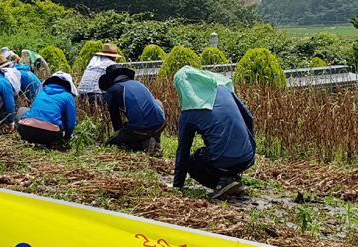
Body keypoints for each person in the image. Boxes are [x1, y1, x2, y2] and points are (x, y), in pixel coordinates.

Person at [172, 66, 255, 200]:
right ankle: (230, 178)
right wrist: (249, 147)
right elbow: (249, 118)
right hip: (248, 158)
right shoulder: (224, 90)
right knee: (223, 157)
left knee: (192, 162)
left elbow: (183, 153)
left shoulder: (188, 113)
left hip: (223, 161)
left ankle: (222, 184)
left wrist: (177, 186)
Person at [100, 64, 166, 154]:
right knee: (157, 102)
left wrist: (120, 134)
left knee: (111, 144)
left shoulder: (112, 91)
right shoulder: (138, 84)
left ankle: (143, 144)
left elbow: (115, 118)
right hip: (160, 125)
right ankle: (156, 141)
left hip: (140, 131)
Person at [18, 72, 78, 148]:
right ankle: (53, 142)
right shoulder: (68, 96)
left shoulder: (41, 92)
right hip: (51, 135)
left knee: (22, 110)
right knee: (63, 114)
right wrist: (67, 137)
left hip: (26, 131)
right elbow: (71, 123)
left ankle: (26, 139)